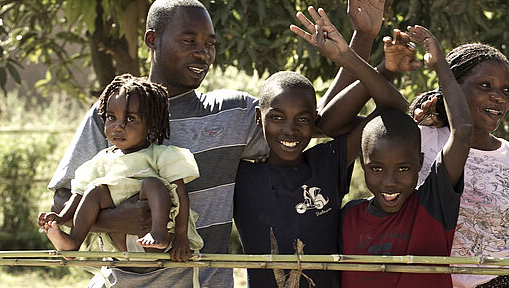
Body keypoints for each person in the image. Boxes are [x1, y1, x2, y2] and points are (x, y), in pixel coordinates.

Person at [46, 0, 266, 286]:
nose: (203, 54)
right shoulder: (114, 112)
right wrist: (115, 219)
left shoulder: (233, 114)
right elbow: (64, 197)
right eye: (189, 41)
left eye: (209, 43)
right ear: (152, 39)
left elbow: (312, 122)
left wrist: (345, 56)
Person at [233, 1, 400, 286]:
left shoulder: (326, 162)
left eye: (302, 119)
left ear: (315, 123)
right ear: (259, 121)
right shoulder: (241, 175)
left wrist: (377, 60)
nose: (289, 129)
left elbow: (394, 110)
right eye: (276, 117)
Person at [338, 24, 474, 287]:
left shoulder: (433, 205)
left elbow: (464, 130)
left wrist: (440, 65)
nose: (390, 182)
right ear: (362, 167)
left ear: (421, 164)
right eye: (377, 169)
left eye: (403, 168)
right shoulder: (348, 217)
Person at [403, 42, 509, 288]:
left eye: (506, 90)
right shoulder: (422, 139)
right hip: (430, 280)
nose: (499, 97)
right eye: (485, 85)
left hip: (502, 280)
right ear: (453, 87)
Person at [39, 74, 202, 263]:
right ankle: (73, 242)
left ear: (151, 125)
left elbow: (180, 194)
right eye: (111, 117)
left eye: (130, 119)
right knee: (94, 190)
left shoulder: (160, 155)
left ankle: (158, 234)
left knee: (153, 184)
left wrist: (181, 235)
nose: (118, 126)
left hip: (153, 239)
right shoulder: (101, 160)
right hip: (118, 240)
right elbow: (78, 195)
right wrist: (60, 217)